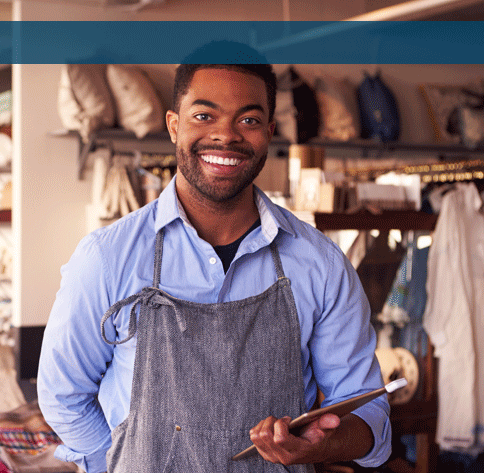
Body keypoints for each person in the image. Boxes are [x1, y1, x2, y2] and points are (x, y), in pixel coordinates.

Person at [37, 42, 391, 473]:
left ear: (269, 131)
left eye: (249, 119)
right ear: (173, 125)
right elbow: (64, 394)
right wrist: (117, 463)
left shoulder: (321, 263)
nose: (226, 135)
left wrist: (319, 446)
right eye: (204, 116)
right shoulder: (107, 258)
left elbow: (370, 416)